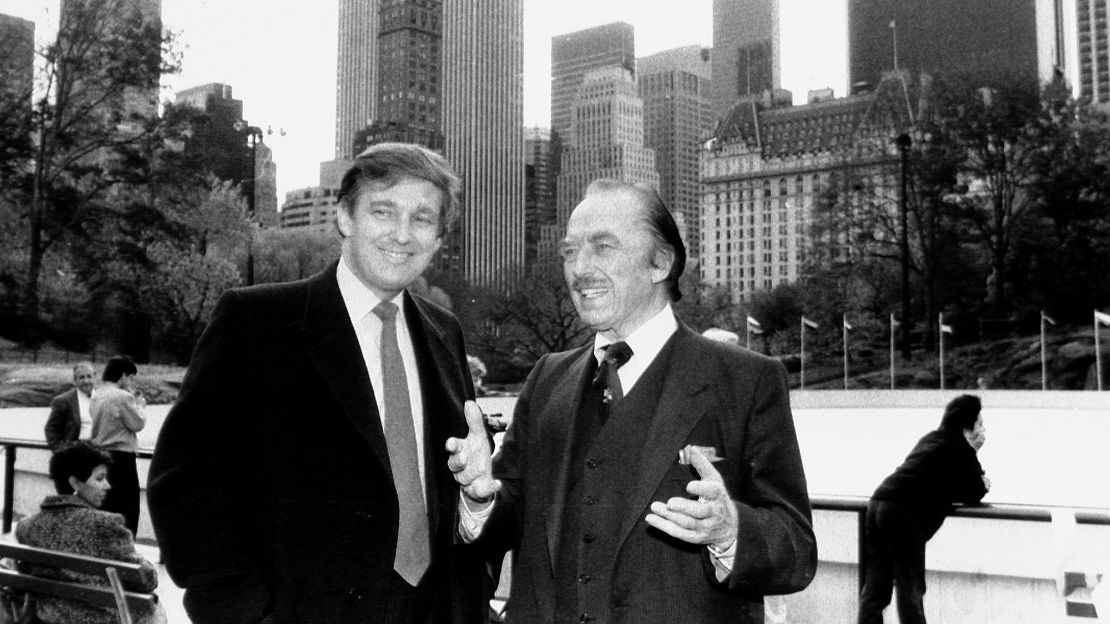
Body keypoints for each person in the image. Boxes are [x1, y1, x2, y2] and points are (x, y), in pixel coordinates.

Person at [147, 142, 491, 624]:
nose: (401, 234)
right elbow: (185, 490)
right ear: (345, 218)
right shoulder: (257, 322)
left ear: (438, 239)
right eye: (383, 211)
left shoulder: (444, 332)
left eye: (422, 219)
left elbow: (448, 490)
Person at [447, 179, 816, 624]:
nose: (578, 268)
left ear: (660, 262)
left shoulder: (747, 379)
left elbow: (795, 546)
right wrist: (479, 499)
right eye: (569, 251)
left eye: (603, 247)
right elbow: (510, 514)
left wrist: (730, 530)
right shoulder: (547, 378)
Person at [856, 394, 990, 624]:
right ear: (967, 428)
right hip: (902, 516)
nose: (983, 429)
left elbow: (941, 479)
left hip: (878, 504)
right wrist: (973, 454)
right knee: (911, 590)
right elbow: (974, 490)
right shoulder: (959, 448)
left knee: (876, 589)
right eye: (979, 423)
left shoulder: (931, 438)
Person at [15, 441, 164, 624]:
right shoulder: (106, 525)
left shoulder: (26, 526)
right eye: (100, 479)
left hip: (50, 617)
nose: (107, 486)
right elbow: (145, 579)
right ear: (75, 483)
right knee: (155, 608)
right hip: (103, 619)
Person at [88, 355, 145, 535]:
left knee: (104, 505)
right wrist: (140, 404)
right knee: (127, 508)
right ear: (122, 376)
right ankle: (124, 552)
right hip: (121, 458)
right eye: (130, 377)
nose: (131, 382)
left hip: (99, 455)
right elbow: (138, 424)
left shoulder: (97, 394)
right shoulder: (123, 397)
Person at [44, 362, 96, 450]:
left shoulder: (105, 398)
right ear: (75, 380)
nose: (86, 381)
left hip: (102, 450)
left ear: (95, 377)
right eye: (82, 377)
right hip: (76, 451)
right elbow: (51, 430)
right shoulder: (62, 401)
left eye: (89, 376)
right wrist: (61, 452)